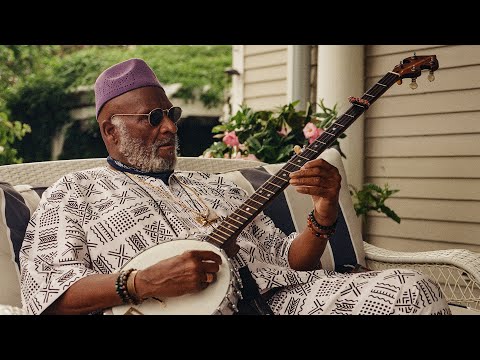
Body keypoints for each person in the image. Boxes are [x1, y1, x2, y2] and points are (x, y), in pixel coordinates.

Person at [19, 58, 451, 315]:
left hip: (281, 301)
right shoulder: (74, 192)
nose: (169, 126)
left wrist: (324, 209)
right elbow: (46, 296)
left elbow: (293, 262)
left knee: (412, 289)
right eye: (153, 118)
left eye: (172, 113)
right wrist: (139, 283)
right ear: (110, 132)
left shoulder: (217, 186)